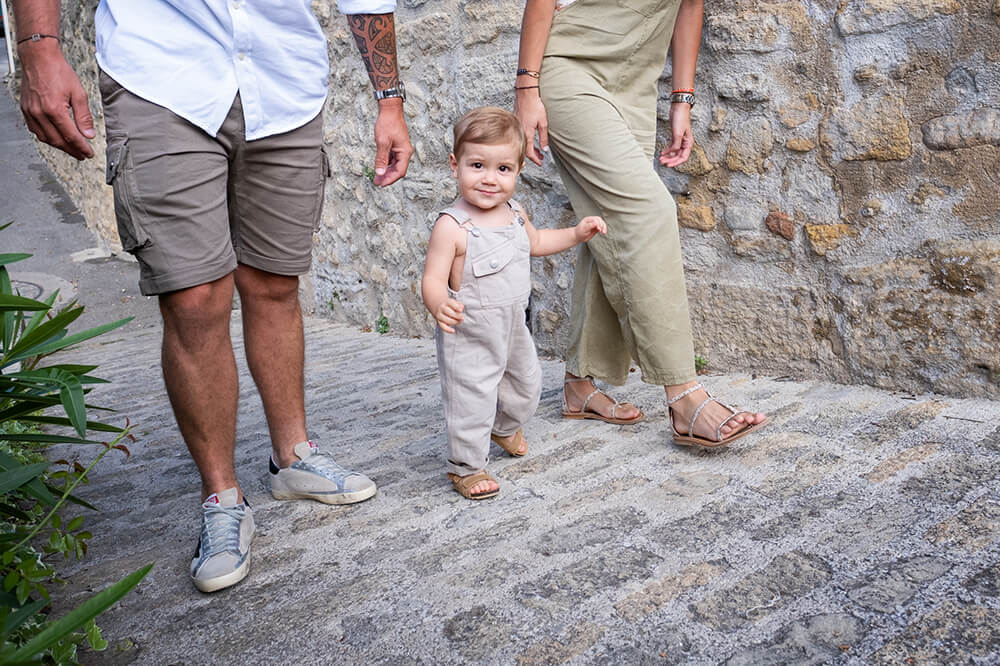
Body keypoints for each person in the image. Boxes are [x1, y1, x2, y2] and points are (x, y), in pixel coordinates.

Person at [13, 0, 413, 592]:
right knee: (195, 296)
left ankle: (292, 457)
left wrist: (390, 100)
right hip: (161, 74)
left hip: (284, 79)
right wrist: (39, 48)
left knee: (275, 281)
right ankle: (221, 496)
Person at [514, 0, 767, 447]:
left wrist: (681, 101)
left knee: (607, 227)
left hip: (635, 84)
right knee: (649, 211)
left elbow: (690, 5)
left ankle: (578, 382)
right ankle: (684, 395)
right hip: (571, 65)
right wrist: (527, 89)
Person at [422, 107, 607, 500]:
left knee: (526, 385)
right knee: (471, 398)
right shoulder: (452, 226)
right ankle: (467, 466)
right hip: (469, 332)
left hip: (512, 326)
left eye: (503, 169)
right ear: (455, 164)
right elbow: (433, 279)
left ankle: (504, 427)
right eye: (477, 165)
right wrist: (439, 303)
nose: (490, 179)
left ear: (519, 169)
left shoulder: (515, 214)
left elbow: (537, 243)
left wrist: (575, 233)